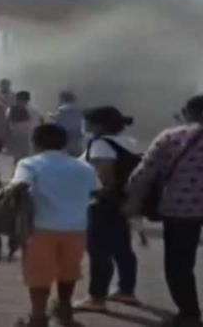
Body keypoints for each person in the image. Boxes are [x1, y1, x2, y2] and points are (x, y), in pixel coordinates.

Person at [125, 95, 203, 327]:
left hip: (181, 210)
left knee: (179, 263)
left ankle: (188, 313)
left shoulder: (171, 137)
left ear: (188, 112)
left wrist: (132, 202)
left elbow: (144, 173)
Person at [11, 124, 99, 327]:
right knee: (68, 270)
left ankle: (38, 317)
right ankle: (64, 309)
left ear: (35, 142)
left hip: (42, 227)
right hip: (76, 227)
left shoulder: (29, 164)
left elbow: (19, 186)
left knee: (39, 274)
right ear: (65, 143)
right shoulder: (83, 166)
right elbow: (96, 192)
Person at [74, 106, 142, 312]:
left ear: (97, 125)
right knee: (122, 248)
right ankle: (126, 290)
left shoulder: (100, 144)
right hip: (122, 202)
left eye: (87, 122)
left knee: (99, 251)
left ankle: (97, 297)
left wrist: (93, 194)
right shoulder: (127, 142)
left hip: (103, 204)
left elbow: (104, 177)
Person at [7, 91, 44, 165]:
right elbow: (41, 119)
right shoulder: (34, 108)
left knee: (22, 157)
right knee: (23, 157)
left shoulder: (14, 109)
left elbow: (9, 123)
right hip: (26, 135)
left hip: (24, 135)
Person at [47, 91, 84, 156]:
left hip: (65, 132)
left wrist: (49, 114)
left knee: (66, 149)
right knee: (76, 148)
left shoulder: (63, 108)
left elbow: (56, 117)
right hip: (77, 131)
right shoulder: (79, 108)